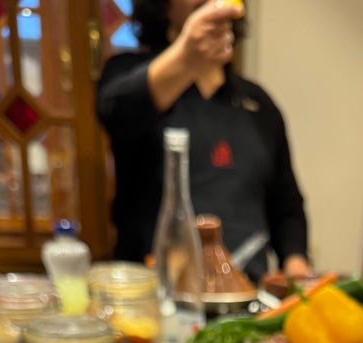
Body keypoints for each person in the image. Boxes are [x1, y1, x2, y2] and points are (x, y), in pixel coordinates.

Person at [95, 0, 312, 283]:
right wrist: (185, 57)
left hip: (246, 297)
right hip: (157, 297)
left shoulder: (258, 104)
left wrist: (298, 277)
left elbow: (286, 207)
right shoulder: (128, 74)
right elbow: (115, 111)